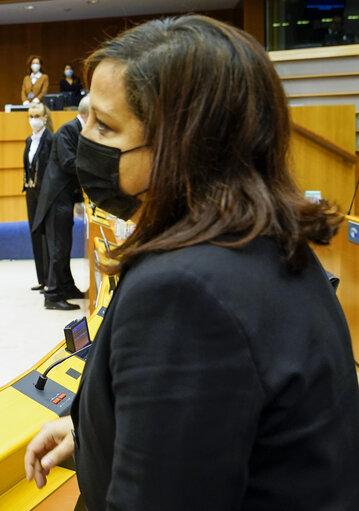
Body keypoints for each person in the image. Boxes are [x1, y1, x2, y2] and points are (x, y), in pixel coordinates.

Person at [25, 15, 359, 510]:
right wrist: (100, 437)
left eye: (105, 125)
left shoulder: (183, 293)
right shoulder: (263, 242)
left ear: (181, 147)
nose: (84, 138)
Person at [32, 96, 89, 310]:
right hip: (56, 198)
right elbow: (68, 163)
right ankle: (53, 295)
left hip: (65, 197)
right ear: (88, 114)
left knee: (64, 246)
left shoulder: (76, 129)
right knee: (58, 249)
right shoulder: (68, 130)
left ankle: (66, 286)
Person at [23, 103, 54, 294]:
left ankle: (51, 279)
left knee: (46, 236)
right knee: (35, 234)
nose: (33, 119)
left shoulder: (50, 139)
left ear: (45, 117)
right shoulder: (29, 140)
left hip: (45, 193)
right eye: (30, 115)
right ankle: (41, 279)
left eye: (36, 115)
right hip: (31, 192)